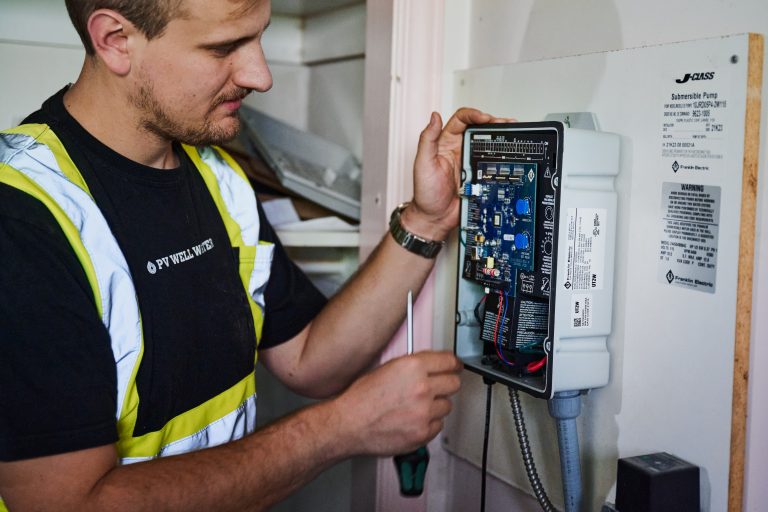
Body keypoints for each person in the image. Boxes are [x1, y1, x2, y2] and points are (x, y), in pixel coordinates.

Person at [0, 0, 504, 510]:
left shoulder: (218, 176)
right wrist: (342, 427)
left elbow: (309, 358)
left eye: (259, 37)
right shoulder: (21, 218)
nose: (260, 76)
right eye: (224, 46)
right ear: (114, 40)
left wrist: (426, 219)